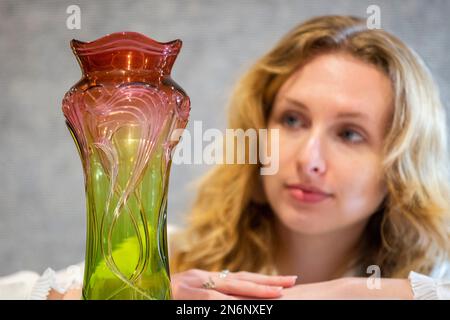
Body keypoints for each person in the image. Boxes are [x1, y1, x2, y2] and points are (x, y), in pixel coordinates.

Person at [1, 15, 449, 300]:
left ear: (400, 163)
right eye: (292, 120)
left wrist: (350, 294)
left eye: (350, 133)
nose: (308, 159)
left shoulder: (429, 280)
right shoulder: (171, 261)